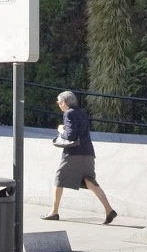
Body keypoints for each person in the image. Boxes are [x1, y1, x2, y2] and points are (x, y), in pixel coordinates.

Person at [43, 91, 116, 224]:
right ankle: (109, 209)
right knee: (90, 181)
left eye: (59, 102)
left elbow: (71, 135)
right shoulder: (82, 113)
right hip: (87, 152)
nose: (58, 105)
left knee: (59, 179)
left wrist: (61, 130)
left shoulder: (68, 113)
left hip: (73, 154)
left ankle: (54, 212)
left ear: (64, 102)